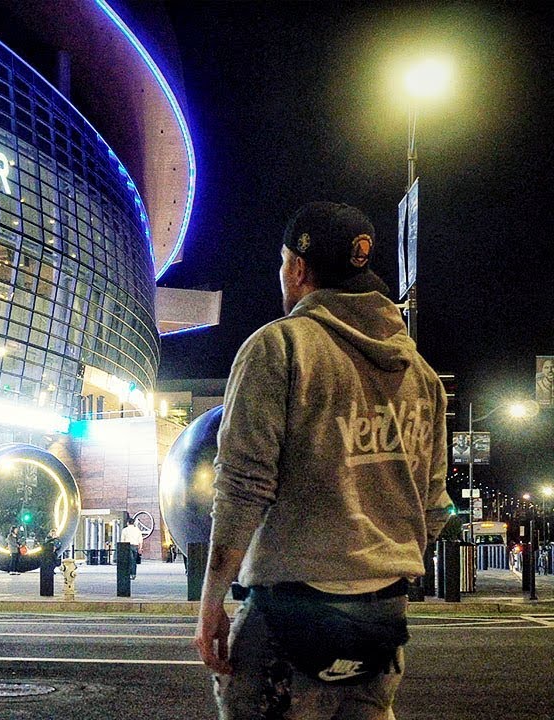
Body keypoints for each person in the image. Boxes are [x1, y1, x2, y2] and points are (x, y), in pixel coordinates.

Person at [192, 202, 453, 720]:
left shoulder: (280, 348)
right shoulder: (420, 373)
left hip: (292, 612)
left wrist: (211, 603)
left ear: (297, 269)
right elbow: (435, 507)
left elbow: (243, 487)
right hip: (383, 613)